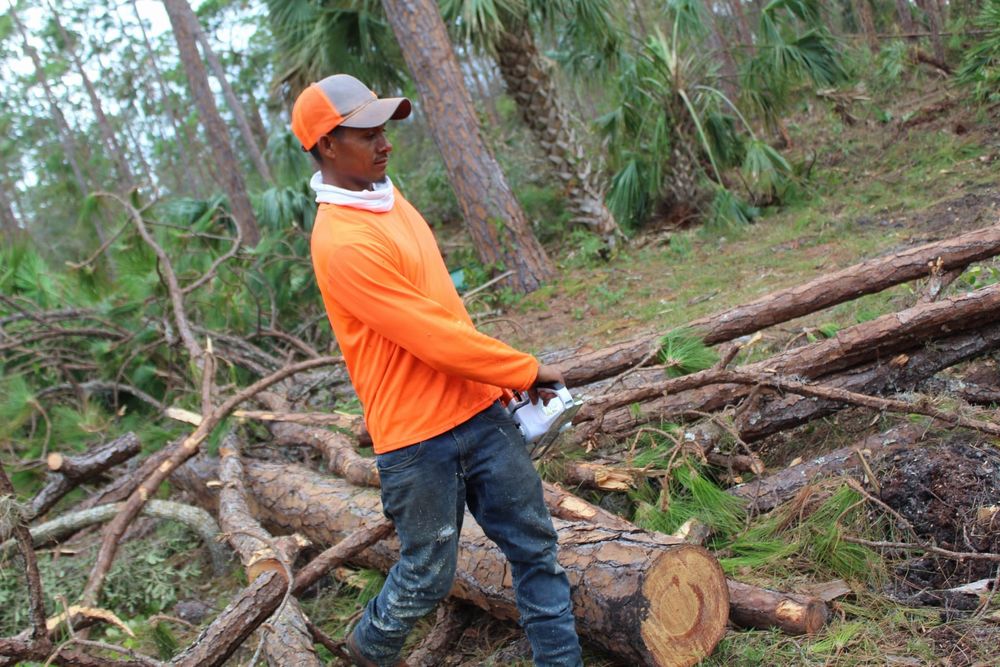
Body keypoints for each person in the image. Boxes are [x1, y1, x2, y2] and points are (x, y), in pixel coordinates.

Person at [292, 74, 583, 667]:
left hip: (480, 416)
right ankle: (366, 654)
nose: (384, 141)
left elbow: (445, 312)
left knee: (536, 548)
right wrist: (524, 369)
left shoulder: (389, 199)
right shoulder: (341, 240)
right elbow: (427, 338)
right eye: (367, 132)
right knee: (426, 576)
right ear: (326, 145)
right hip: (416, 442)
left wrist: (495, 381)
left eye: (384, 129)